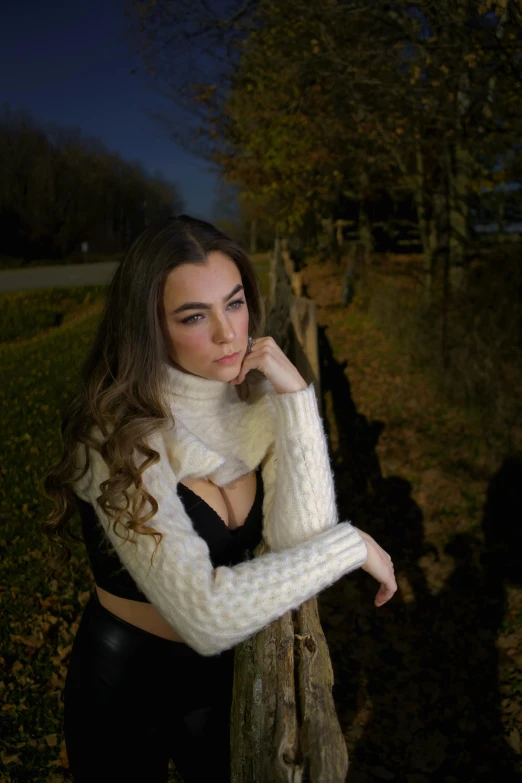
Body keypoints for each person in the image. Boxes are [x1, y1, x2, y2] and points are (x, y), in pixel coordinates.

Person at [41, 215, 396, 783]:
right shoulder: (118, 432)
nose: (228, 334)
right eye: (193, 317)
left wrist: (296, 395)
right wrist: (349, 546)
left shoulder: (252, 399)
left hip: (224, 677)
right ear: (149, 327)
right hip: (125, 680)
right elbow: (205, 615)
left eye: (234, 304)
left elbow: (298, 539)